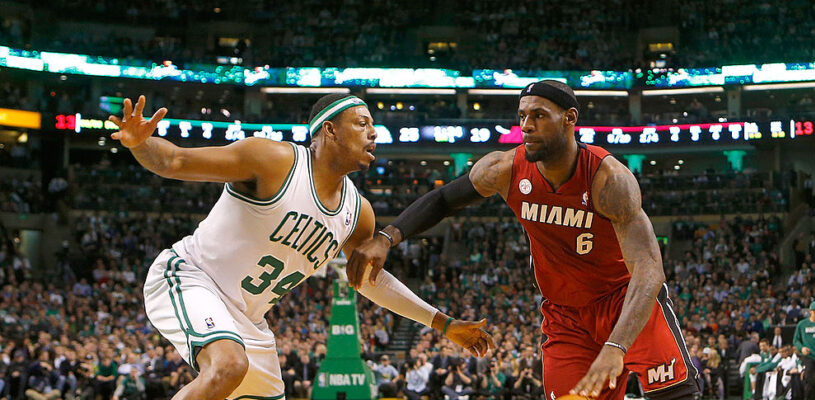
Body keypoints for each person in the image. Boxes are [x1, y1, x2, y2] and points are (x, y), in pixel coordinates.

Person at [108, 94, 494, 400]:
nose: (374, 133)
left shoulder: (358, 213)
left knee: (234, 367)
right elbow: (174, 160)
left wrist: (443, 324)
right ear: (330, 130)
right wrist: (141, 144)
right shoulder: (273, 160)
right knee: (226, 366)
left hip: (249, 321)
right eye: (362, 124)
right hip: (191, 277)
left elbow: (370, 281)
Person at [348, 80, 700, 399]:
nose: (526, 126)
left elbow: (650, 272)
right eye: (521, 116)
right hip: (565, 314)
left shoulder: (609, 180)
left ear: (570, 118)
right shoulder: (503, 169)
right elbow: (443, 199)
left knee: (675, 395)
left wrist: (616, 345)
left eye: (539, 115)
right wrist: (386, 237)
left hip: (623, 301)